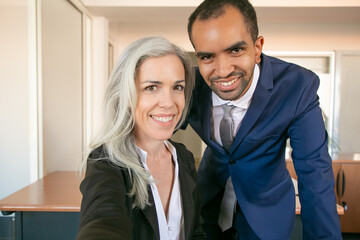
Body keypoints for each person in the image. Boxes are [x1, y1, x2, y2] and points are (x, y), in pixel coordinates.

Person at [183, 0, 342, 239]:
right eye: (207, 56)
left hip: (267, 214)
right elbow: (149, 131)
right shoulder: (190, 87)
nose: (223, 70)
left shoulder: (297, 87)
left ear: (257, 48)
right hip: (206, 205)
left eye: (235, 50)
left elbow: (314, 174)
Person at [77, 36, 205, 240]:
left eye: (177, 87)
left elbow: (196, 230)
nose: (168, 103)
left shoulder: (184, 157)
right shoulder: (106, 162)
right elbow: (102, 221)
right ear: (126, 96)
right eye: (151, 88)